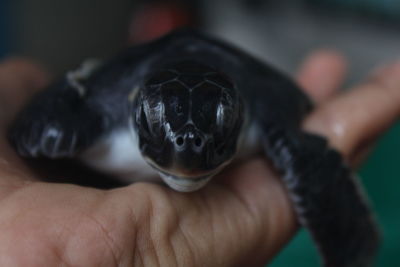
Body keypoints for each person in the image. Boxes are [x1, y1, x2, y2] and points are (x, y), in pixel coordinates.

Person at [0, 50, 399, 266]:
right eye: (156, 128)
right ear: (135, 109)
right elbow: (36, 125)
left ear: (239, 115)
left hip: (235, 73)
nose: (185, 154)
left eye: (221, 130)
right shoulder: (97, 114)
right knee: (46, 137)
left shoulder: (265, 104)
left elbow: (308, 158)